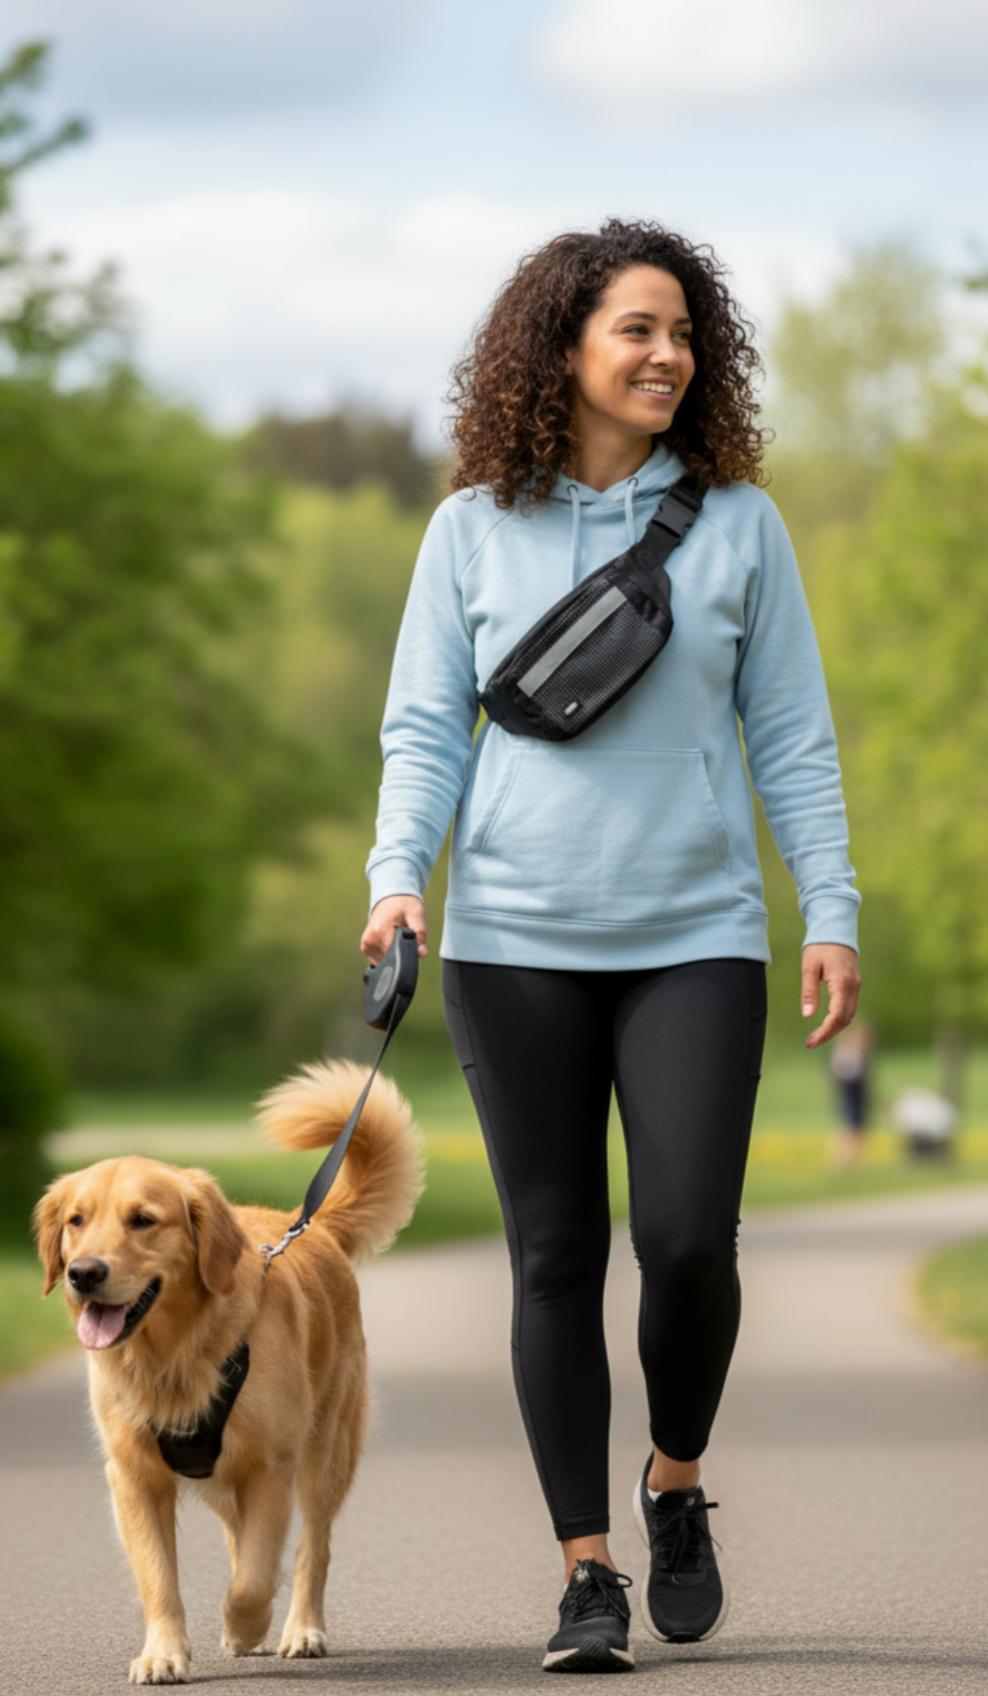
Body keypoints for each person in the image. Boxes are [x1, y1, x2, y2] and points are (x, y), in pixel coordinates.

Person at [360, 220, 862, 1674]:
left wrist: (827, 906)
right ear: (561, 348)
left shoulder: (737, 526)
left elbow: (794, 738)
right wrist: (398, 880)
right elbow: (420, 734)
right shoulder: (468, 529)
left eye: (684, 334)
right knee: (554, 1252)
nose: (667, 355)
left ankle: (677, 1481)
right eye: (637, 329)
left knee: (692, 1237)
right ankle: (586, 1573)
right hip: (514, 940)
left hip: (696, 936)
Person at [830, 1020, 874, 1169]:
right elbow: (848, 1076)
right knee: (851, 1128)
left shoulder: (853, 1053)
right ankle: (844, 1161)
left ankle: (851, 1161)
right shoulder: (848, 1053)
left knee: (855, 1129)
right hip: (851, 1094)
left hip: (855, 1095)